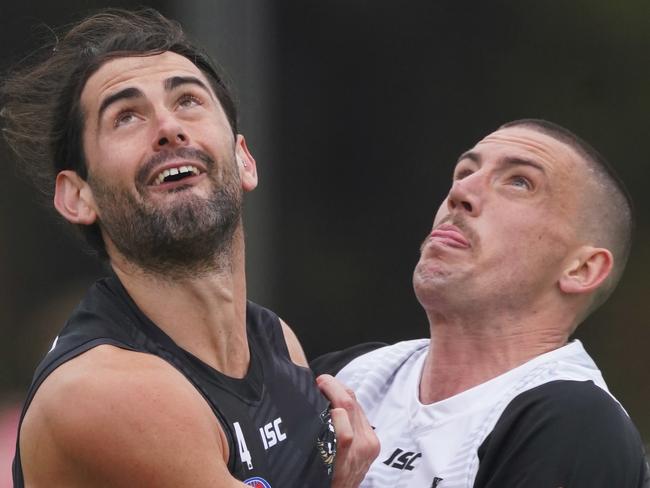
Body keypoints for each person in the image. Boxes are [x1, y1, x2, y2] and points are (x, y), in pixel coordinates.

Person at [1, 8, 378, 487]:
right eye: (126, 117)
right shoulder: (103, 392)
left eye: (188, 102)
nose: (168, 127)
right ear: (78, 196)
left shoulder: (275, 340)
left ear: (244, 160)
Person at [313, 119, 649, 487]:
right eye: (464, 171)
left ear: (581, 269)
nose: (461, 192)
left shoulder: (577, 423)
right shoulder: (349, 375)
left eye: (519, 182)